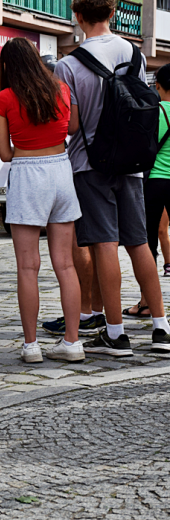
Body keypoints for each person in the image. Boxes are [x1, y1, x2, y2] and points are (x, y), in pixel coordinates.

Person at [55, 0, 170, 355]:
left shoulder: (68, 64)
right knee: (138, 242)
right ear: (113, 14)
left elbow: (72, 125)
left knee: (104, 243)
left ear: (77, 16)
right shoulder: (133, 53)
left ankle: (116, 333)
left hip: (90, 164)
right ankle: (161, 327)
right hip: (133, 162)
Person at [0, 37, 84, 363]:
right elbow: (72, 127)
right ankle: (72, 342)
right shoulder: (61, 89)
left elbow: (4, 153)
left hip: (28, 173)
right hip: (61, 170)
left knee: (28, 267)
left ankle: (31, 345)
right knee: (65, 263)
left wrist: (28, 148)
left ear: (7, 66)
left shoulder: (3, 99)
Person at [120, 65, 170, 353]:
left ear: (158, 85)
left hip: (155, 182)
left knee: (146, 241)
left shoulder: (156, 110)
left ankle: (146, 302)